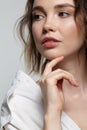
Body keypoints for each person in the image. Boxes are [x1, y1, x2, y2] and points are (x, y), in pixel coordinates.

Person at [1, 0, 87, 130]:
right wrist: (51, 114)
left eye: (63, 13)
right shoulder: (19, 106)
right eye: (38, 16)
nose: (47, 25)